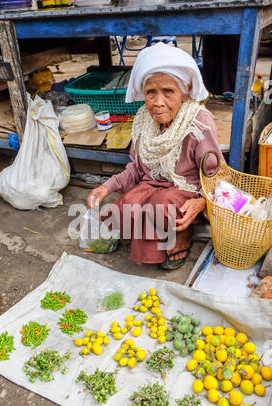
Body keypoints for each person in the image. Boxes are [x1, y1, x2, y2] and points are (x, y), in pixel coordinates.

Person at [87, 42, 224, 269]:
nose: (158, 102)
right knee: (129, 203)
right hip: (152, 186)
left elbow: (217, 175)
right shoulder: (143, 119)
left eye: (168, 92)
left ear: (185, 91)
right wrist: (107, 187)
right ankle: (156, 233)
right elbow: (136, 169)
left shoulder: (198, 121)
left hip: (185, 192)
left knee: (159, 204)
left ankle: (182, 235)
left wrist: (201, 202)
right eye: (151, 92)